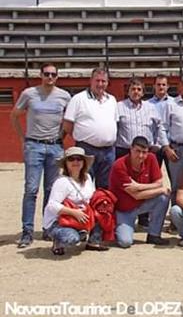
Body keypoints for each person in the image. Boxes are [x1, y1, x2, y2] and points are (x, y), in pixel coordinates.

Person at [11, 63, 71, 248]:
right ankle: (27, 231)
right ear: (41, 75)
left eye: (53, 74)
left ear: (57, 77)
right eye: (47, 74)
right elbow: (14, 115)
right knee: (31, 190)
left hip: (54, 147)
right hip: (34, 145)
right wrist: (23, 138)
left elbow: (69, 120)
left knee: (51, 190)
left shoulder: (64, 96)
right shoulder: (30, 94)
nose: (50, 77)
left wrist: (61, 137)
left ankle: (47, 228)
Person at [43, 147, 107, 255]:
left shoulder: (87, 178)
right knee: (72, 238)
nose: (75, 162)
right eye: (71, 159)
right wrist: (74, 212)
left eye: (79, 159)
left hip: (82, 216)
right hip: (60, 221)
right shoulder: (62, 182)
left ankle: (93, 242)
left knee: (102, 213)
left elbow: (91, 198)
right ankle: (58, 241)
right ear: (65, 163)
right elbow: (52, 205)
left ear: (84, 162)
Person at [109, 136, 170, 248]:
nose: (141, 156)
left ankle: (154, 235)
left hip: (142, 204)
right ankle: (117, 228)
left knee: (163, 197)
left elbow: (159, 183)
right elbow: (136, 195)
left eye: (144, 152)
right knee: (125, 242)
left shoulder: (151, 158)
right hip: (124, 210)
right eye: (137, 151)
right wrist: (158, 189)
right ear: (131, 149)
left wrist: (138, 186)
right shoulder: (119, 165)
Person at [63, 67, 118, 189]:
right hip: (86, 149)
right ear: (91, 81)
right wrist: (83, 136)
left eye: (103, 81)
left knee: (105, 187)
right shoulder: (78, 99)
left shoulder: (112, 100)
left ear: (107, 83)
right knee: (84, 184)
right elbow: (67, 125)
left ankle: (101, 209)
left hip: (108, 151)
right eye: (97, 81)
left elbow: (115, 122)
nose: (100, 84)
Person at [115, 77, 168, 159]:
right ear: (128, 92)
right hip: (125, 152)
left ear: (143, 93)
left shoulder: (151, 107)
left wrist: (157, 144)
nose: (136, 92)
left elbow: (160, 126)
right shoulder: (119, 106)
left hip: (146, 151)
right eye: (133, 89)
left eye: (139, 89)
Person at [148, 74, 174, 178]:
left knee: (175, 177)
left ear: (168, 86)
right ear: (154, 86)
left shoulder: (174, 102)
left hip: (170, 146)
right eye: (158, 84)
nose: (161, 87)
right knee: (152, 178)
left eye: (164, 84)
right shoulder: (147, 104)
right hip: (155, 146)